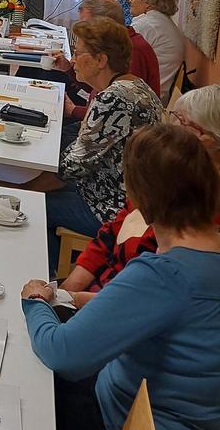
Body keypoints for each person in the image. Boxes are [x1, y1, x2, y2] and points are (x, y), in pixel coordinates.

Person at [22, 124, 220, 430]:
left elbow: (62, 353)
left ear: (139, 195)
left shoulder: (164, 274)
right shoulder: (202, 255)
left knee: (33, 386)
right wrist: (64, 301)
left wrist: (34, 301)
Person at [56, 88, 220, 307]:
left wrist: (68, 299)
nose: (172, 129)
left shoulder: (204, 212)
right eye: (174, 118)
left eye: (182, 122)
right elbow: (110, 233)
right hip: (101, 293)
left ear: (211, 140)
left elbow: (147, 299)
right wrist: (68, 289)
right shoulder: (166, 175)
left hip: (118, 308)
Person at [26, 18, 164, 272]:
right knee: (38, 190)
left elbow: (72, 168)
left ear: (101, 60)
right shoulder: (136, 86)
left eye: (78, 54)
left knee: (28, 208)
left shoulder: (113, 99)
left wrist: (24, 190)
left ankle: (48, 275)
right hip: (127, 197)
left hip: (112, 208)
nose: (73, 60)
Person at [53, 0, 160, 142]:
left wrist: (74, 111)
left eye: (88, 25)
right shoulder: (120, 47)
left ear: (105, 24)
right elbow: (99, 86)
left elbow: (114, 111)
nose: (85, 31)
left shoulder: (132, 51)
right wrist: (68, 69)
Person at [130, 0, 185, 98]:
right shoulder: (161, 22)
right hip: (157, 93)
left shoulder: (147, 25)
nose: (130, 1)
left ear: (149, 2)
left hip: (147, 98)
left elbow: (121, 61)